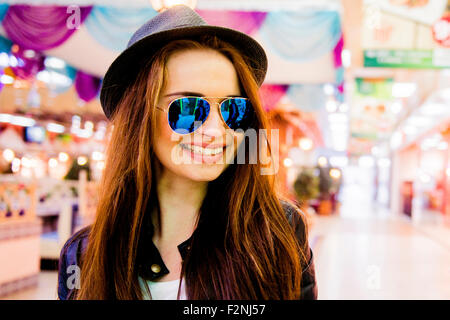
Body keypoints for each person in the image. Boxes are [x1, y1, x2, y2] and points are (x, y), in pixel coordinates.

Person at [57, 5, 317, 300]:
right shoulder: (84, 254)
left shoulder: (278, 232)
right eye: (189, 110)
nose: (217, 132)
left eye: (234, 110)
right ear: (140, 119)